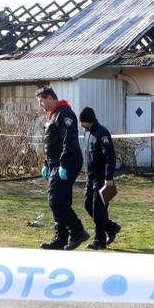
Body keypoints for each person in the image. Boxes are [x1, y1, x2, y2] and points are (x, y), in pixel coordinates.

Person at [37, 87, 89, 250]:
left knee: (55, 199)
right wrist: (46, 163)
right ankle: (61, 237)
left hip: (67, 161)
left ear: (50, 98)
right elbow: (51, 143)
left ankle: (78, 231)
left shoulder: (64, 114)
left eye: (42, 101)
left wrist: (63, 164)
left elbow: (69, 141)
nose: (41, 105)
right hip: (55, 162)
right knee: (61, 200)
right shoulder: (52, 116)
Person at [79, 107, 121, 250]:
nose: (81, 125)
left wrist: (108, 177)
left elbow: (110, 156)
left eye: (82, 122)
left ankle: (100, 241)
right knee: (87, 205)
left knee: (98, 210)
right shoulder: (88, 133)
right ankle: (111, 227)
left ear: (88, 121)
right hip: (90, 178)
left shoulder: (102, 133)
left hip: (101, 179)